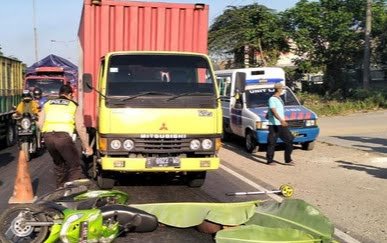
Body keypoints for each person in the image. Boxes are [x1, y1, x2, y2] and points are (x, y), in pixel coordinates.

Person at [38, 84, 93, 188]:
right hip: (63, 138)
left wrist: (46, 134)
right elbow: (80, 127)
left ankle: (59, 190)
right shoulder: (73, 105)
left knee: (59, 165)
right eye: (72, 96)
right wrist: (87, 146)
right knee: (75, 166)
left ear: (59, 94)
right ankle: (70, 192)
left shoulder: (48, 103)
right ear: (70, 94)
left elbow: (40, 123)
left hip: (48, 137)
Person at [266, 83, 294, 165]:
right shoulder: (272, 99)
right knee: (272, 143)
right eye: (282, 88)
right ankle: (270, 160)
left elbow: (272, 111)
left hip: (281, 124)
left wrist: (268, 114)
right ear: (278, 89)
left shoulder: (279, 99)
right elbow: (274, 111)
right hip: (274, 124)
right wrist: (281, 120)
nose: (283, 90)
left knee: (290, 140)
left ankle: (288, 159)